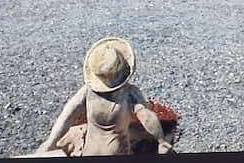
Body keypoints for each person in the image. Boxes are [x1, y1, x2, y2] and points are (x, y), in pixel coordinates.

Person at [36, 37, 174, 156]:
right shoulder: (129, 92)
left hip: (89, 152)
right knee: (139, 134)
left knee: (77, 130)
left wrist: (50, 143)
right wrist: (161, 141)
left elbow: (67, 116)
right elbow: (147, 117)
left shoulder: (87, 91)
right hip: (116, 153)